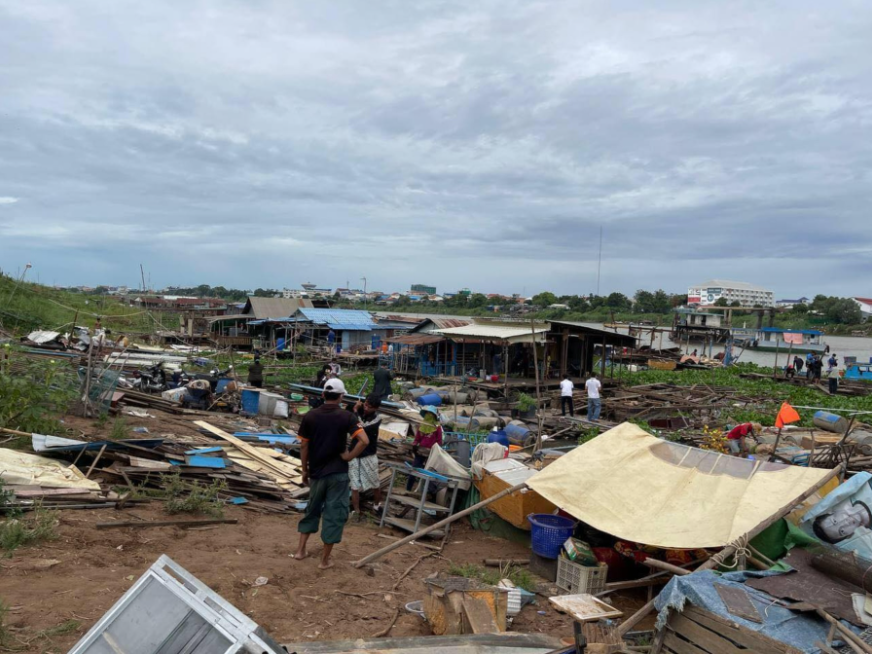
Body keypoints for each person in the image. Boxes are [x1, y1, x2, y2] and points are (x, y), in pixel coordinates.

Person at [294, 379, 368, 569]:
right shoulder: (347, 417)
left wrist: (304, 470)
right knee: (334, 515)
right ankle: (324, 561)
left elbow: (304, 445)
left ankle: (301, 551)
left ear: (323, 395)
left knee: (312, 509)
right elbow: (364, 440)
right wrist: (349, 456)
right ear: (342, 396)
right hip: (338, 474)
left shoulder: (310, 416)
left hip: (317, 473)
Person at [349, 393, 383, 518]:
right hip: (354, 453)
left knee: (375, 482)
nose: (367, 408)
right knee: (354, 485)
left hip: (368, 455)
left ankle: (377, 505)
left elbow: (362, 427)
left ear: (376, 408)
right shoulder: (360, 410)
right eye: (366, 405)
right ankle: (356, 510)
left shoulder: (377, 419)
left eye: (371, 407)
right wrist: (355, 408)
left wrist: (355, 411)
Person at [407, 406, 443, 490]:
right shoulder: (422, 426)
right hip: (421, 451)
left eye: (430, 414)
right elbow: (417, 439)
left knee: (429, 472)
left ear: (434, 416)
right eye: (427, 414)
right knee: (414, 469)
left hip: (431, 453)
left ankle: (428, 491)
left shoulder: (437, 427)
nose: (428, 415)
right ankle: (408, 488)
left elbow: (439, 441)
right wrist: (415, 445)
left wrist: (435, 451)